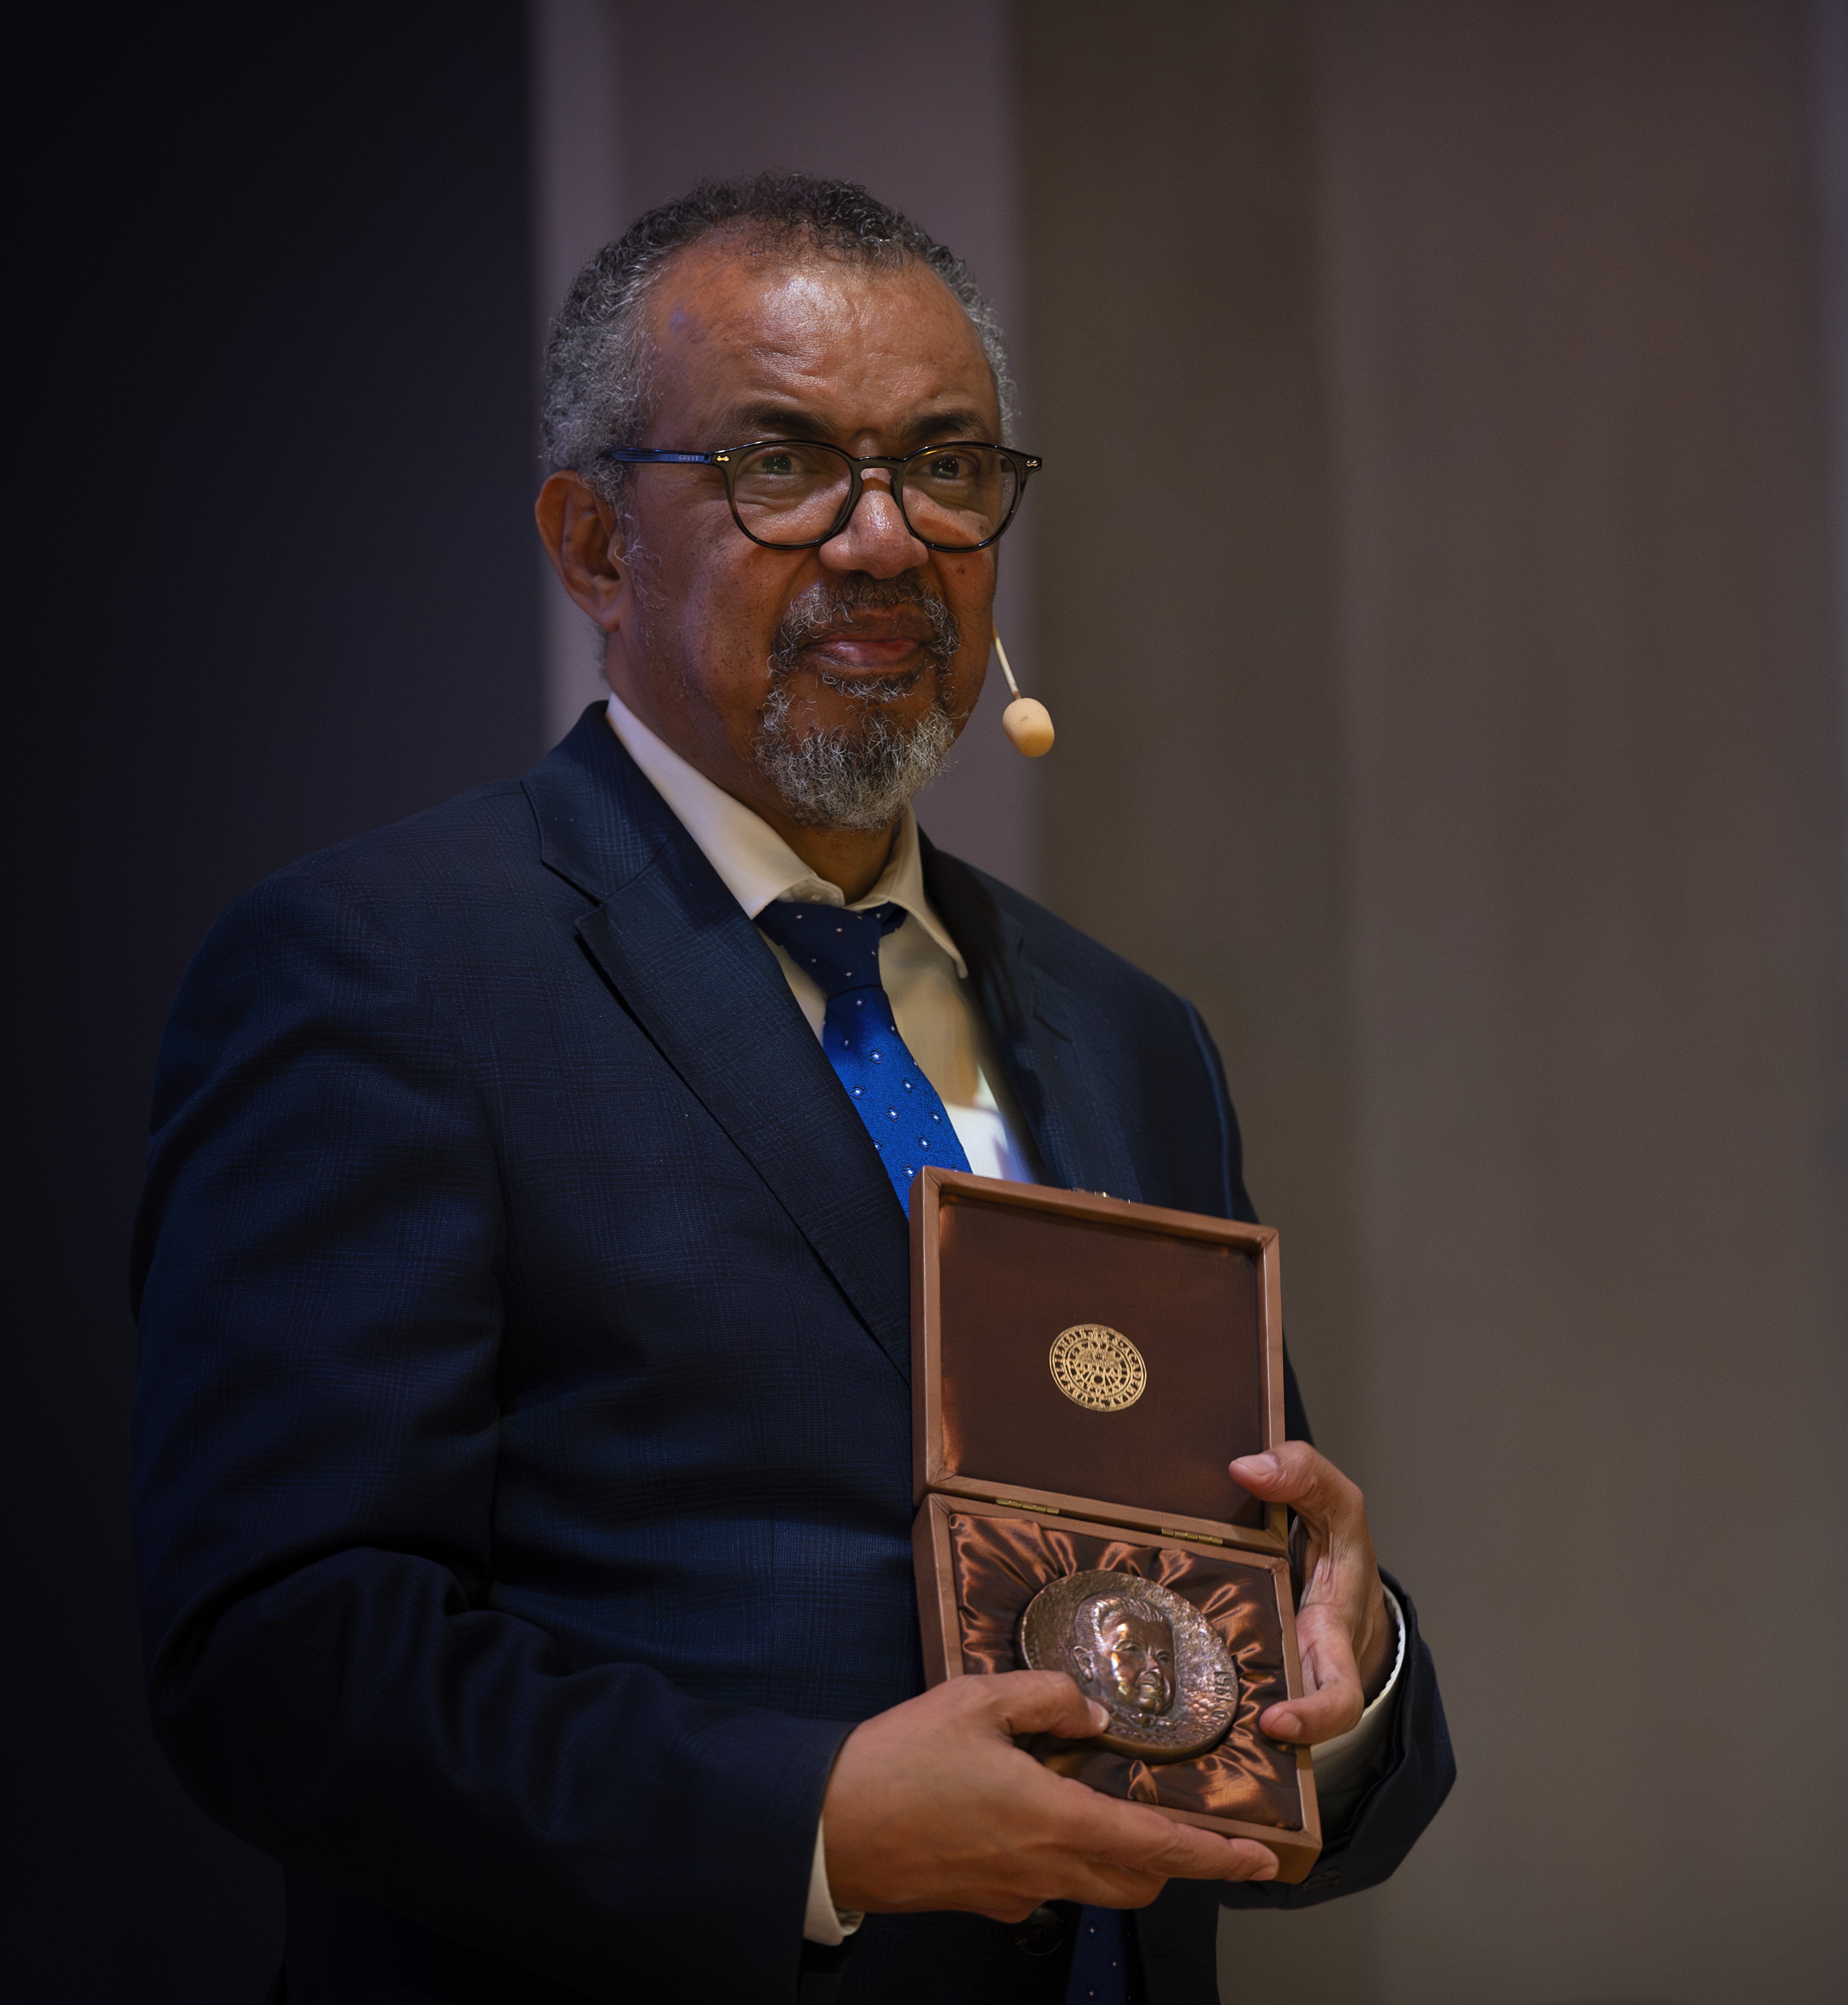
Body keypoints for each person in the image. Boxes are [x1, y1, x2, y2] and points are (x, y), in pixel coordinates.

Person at [132, 174, 1451, 2005]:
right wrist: (810, 1825)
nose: (885, 536)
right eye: (782, 464)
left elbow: (1240, 1668)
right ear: (596, 544)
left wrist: (1347, 1682)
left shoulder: (1130, 1033)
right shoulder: (385, 970)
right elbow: (285, 1656)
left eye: (946, 464)